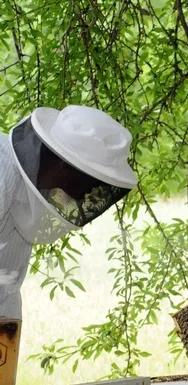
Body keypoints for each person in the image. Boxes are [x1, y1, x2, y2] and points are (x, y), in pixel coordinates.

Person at [0, 105, 137, 320]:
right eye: (95, 179)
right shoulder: (2, 173)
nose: (94, 192)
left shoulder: (32, 192)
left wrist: (9, 334)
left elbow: (6, 288)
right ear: (67, 167)